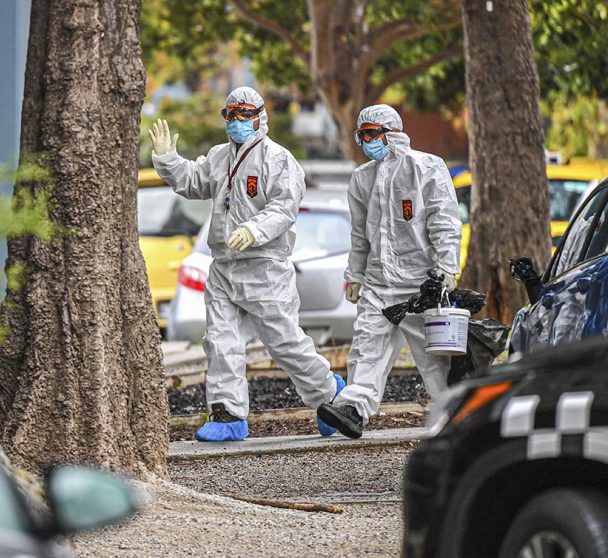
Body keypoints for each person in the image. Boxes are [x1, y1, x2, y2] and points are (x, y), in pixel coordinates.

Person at [149, 86, 344, 442]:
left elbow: (285, 208)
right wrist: (169, 160)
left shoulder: (279, 160)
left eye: (243, 113)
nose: (236, 121)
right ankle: (228, 415)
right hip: (223, 265)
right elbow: (194, 182)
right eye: (230, 114)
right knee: (220, 341)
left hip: (264, 266)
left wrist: (254, 230)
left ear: (259, 117)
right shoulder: (219, 157)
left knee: (283, 342)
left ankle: (328, 394)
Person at [317, 104, 462, 439]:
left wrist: (446, 267)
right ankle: (352, 409)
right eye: (361, 135)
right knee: (367, 347)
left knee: (435, 359)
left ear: (391, 133)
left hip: (423, 284)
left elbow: (444, 220)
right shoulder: (362, 178)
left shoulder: (426, 168)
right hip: (380, 284)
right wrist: (355, 275)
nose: (365, 141)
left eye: (371, 134)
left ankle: (456, 418)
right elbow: (359, 235)